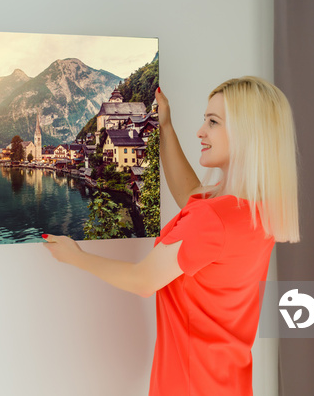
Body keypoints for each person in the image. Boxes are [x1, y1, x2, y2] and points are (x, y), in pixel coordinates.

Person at [43, 76, 300, 395]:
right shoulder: (256, 210)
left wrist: (75, 257)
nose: (201, 131)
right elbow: (190, 192)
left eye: (213, 122)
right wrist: (165, 127)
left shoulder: (211, 219)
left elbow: (143, 280)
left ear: (247, 133)